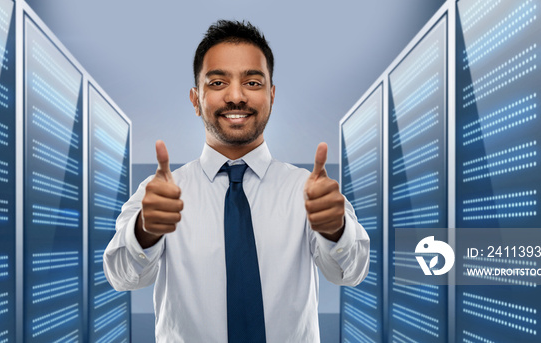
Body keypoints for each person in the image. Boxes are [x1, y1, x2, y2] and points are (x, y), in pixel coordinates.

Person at [103, 20, 370, 342]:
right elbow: (122, 277)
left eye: (253, 83)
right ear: (195, 99)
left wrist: (334, 228)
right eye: (217, 83)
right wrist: (146, 230)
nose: (235, 96)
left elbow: (350, 273)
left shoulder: (310, 190)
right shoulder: (159, 194)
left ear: (271, 95)